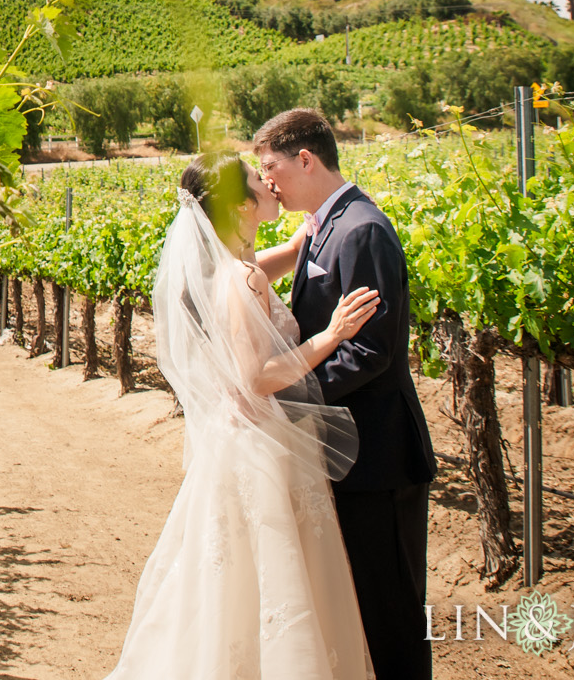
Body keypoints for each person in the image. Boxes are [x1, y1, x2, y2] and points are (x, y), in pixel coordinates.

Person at [103, 155, 380, 680]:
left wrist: (320, 209)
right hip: (261, 443)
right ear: (240, 204)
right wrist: (332, 335)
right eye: (259, 179)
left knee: (234, 586)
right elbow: (256, 377)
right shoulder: (243, 278)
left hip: (238, 443)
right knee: (276, 580)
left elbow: (292, 253)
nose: (269, 182)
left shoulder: (229, 268)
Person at [255, 108, 438, 680]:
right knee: (358, 611)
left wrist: (286, 398)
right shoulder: (321, 228)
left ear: (305, 159)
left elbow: (370, 352)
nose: (269, 184)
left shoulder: (361, 230)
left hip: (378, 459)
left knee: (393, 616)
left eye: (273, 168)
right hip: (344, 456)